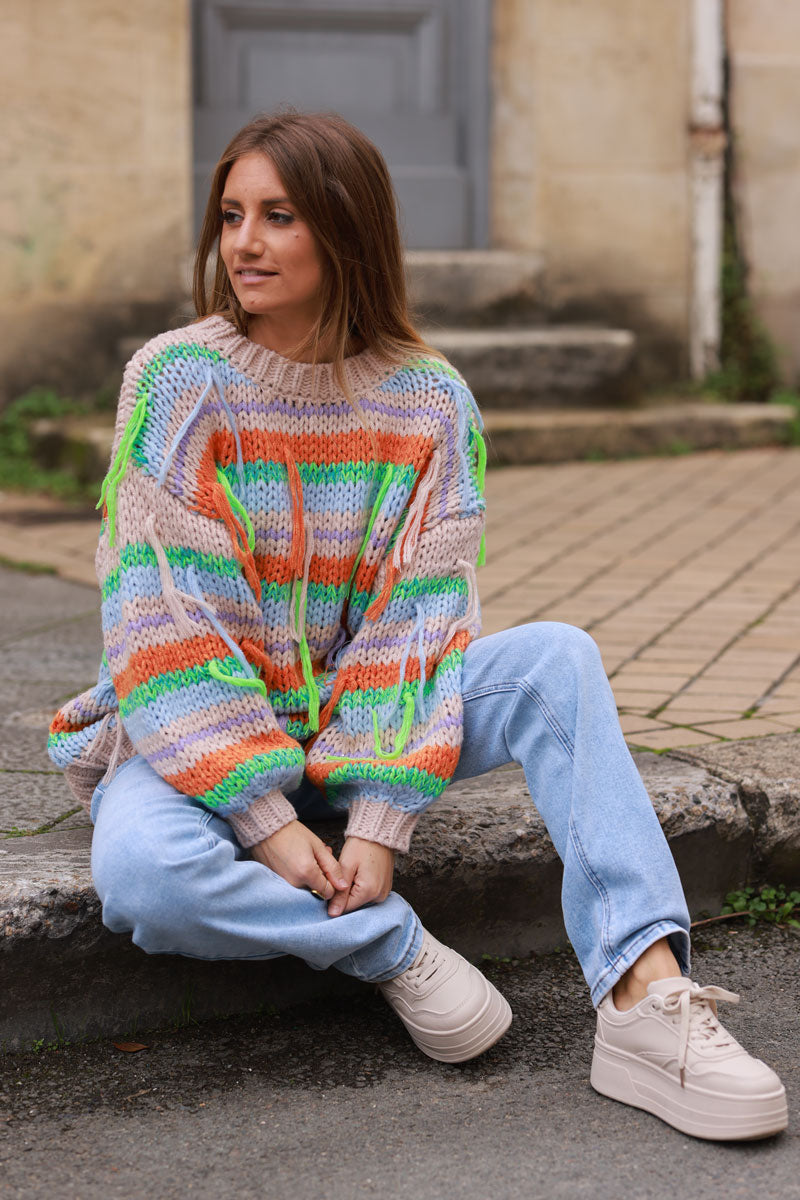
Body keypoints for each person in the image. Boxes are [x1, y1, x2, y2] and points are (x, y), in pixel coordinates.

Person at [49, 111, 786, 1141]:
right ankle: (392, 950)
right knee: (140, 874)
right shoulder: (177, 382)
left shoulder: (430, 401)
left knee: (555, 660)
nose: (244, 243)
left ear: (345, 230)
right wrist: (267, 822)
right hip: (197, 734)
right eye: (230, 216)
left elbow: (420, 617)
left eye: (278, 216)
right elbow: (163, 624)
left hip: (368, 726)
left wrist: (382, 820)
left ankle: (641, 997)